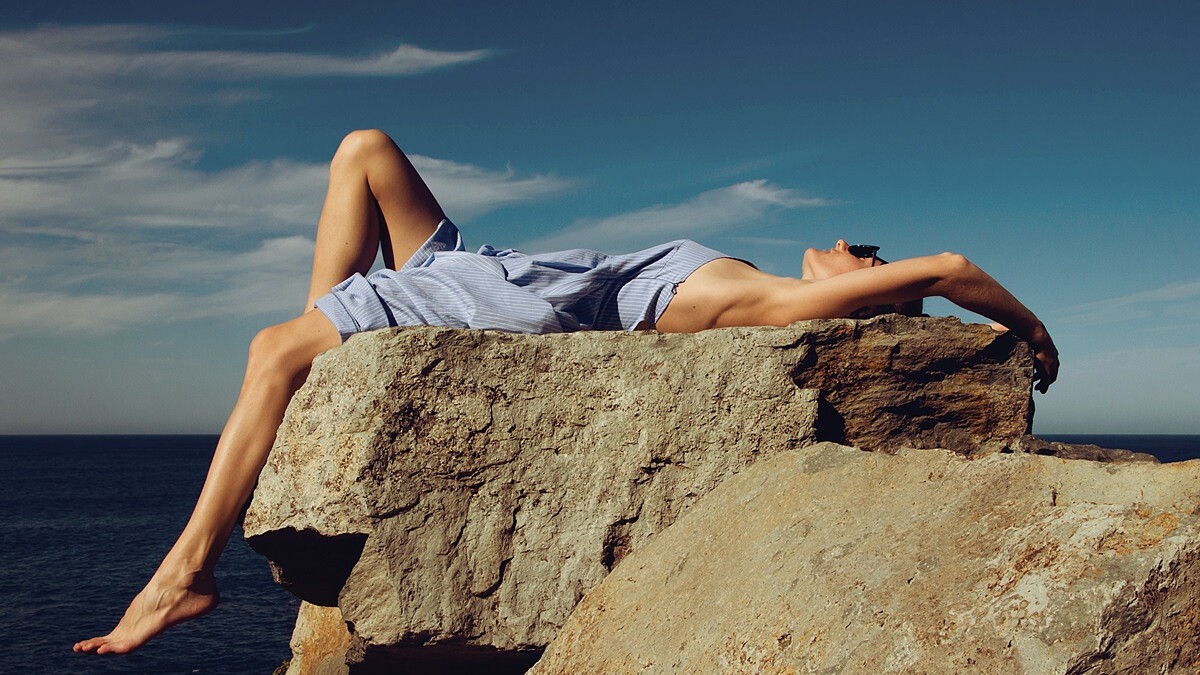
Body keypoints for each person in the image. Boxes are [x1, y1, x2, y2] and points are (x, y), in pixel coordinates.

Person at [74, 129, 1059, 655]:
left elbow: (953, 267)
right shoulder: (752, 279)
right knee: (364, 147)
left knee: (272, 345)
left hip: (524, 302)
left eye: (860, 254)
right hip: (512, 265)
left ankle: (183, 571)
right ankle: (336, 330)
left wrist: (1031, 332)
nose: (846, 243)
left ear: (850, 280)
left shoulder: (776, 302)